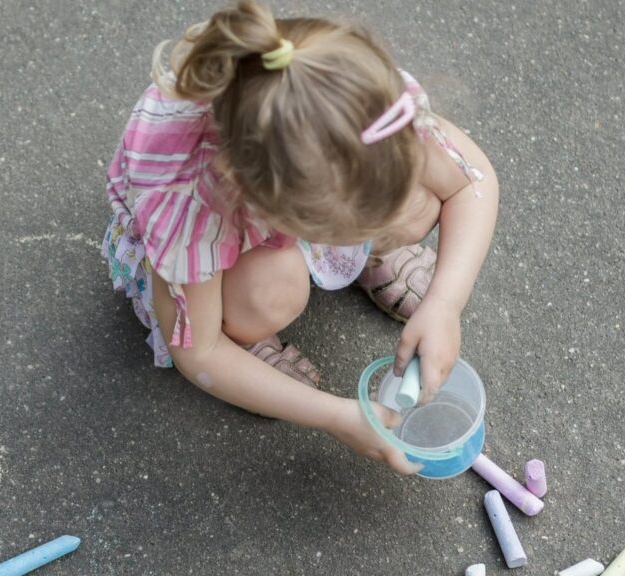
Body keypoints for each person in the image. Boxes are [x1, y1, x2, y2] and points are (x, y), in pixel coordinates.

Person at [101, 0, 498, 474]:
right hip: (208, 245)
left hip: (286, 192)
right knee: (270, 294)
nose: (364, 235)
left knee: (417, 203)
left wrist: (444, 304)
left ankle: (369, 257)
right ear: (274, 213)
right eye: (352, 235)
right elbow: (198, 352)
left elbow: (471, 181)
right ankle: (244, 334)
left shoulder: (362, 106)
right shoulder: (190, 207)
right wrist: (336, 416)